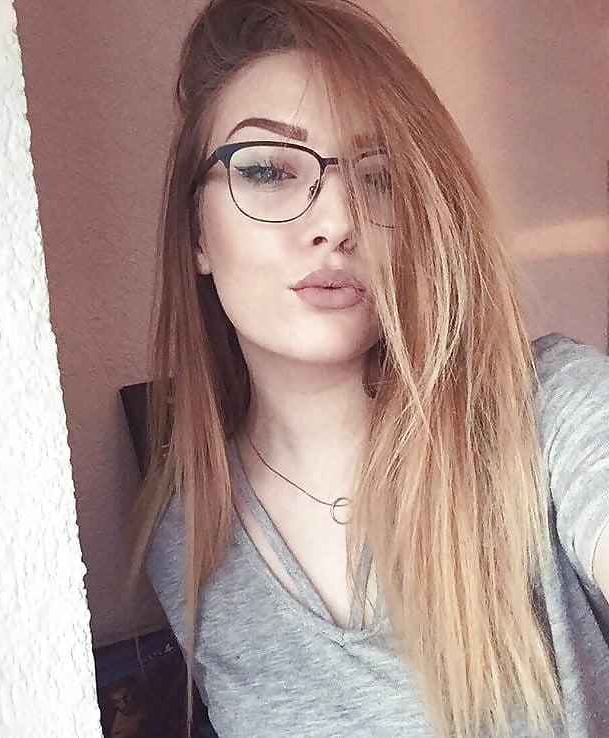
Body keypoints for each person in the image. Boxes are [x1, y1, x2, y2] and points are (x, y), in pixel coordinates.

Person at [125, 1, 609, 736]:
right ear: (196, 231)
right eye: (267, 170)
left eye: (379, 178)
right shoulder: (186, 538)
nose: (338, 221)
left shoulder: (542, 412)